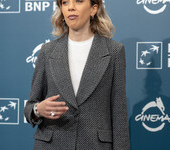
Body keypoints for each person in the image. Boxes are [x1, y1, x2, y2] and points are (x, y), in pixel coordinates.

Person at [24, 0, 130, 149]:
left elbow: (119, 113)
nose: (71, 7)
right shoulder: (47, 52)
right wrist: (38, 110)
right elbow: (29, 107)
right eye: (65, 2)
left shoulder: (114, 51)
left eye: (79, 1)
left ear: (94, 9)